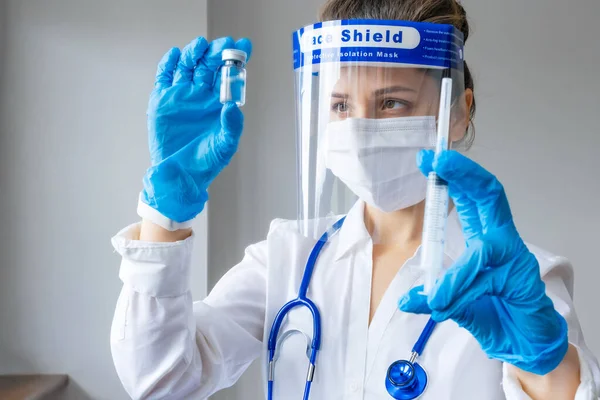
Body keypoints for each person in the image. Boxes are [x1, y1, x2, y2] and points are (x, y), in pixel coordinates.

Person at [110, 0, 600, 399]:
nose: (361, 129)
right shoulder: (289, 255)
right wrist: (163, 214)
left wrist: (549, 366)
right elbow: (160, 380)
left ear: (458, 111)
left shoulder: (516, 279)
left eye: (392, 103)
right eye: (342, 105)